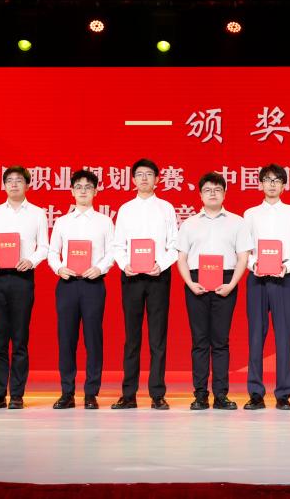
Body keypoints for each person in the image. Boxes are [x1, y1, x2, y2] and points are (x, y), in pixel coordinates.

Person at [176, 172, 252, 411]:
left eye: (217, 189)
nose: (212, 194)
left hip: (226, 282)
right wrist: (190, 283)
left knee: (220, 341)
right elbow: (181, 258)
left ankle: (221, 395)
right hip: (196, 281)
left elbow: (243, 257)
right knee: (199, 341)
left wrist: (232, 284)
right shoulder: (189, 223)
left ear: (224, 194)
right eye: (208, 190)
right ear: (200, 194)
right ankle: (200, 395)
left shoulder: (237, 222)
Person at [0, 166, 49, 410]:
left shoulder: (38, 214)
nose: (14, 184)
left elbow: (44, 247)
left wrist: (32, 260)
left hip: (22, 278)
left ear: (28, 185)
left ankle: (17, 394)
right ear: (3, 185)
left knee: (19, 338)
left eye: (19, 180)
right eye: (9, 180)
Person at [110, 158, 178, 410]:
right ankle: (128, 394)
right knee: (132, 337)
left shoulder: (166, 208)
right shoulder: (125, 209)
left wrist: (161, 263)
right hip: (132, 277)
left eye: (149, 174)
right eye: (139, 174)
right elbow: (118, 244)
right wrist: (124, 263)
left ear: (157, 179)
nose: (144, 178)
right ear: (133, 179)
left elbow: (174, 244)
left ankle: (157, 394)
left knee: (157, 337)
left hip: (158, 275)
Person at [48, 169, 114, 410]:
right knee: (66, 338)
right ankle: (67, 392)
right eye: (78, 187)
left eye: (88, 187)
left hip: (93, 284)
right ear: (72, 191)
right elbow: (52, 252)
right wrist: (59, 268)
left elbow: (112, 251)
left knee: (93, 339)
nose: (83, 191)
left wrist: (100, 268)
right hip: (67, 284)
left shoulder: (105, 221)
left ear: (95, 192)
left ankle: (91, 393)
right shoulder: (62, 222)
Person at [242, 163, 290, 411]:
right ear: (260, 184)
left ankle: (283, 393)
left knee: (284, 336)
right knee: (255, 336)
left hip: (283, 278)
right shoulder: (250, 214)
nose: (271, 184)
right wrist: (253, 264)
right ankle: (255, 393)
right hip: (257, 278)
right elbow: (244, 248)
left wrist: (287, 267)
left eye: (277, 180)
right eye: (267, 180)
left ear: (283, 185)